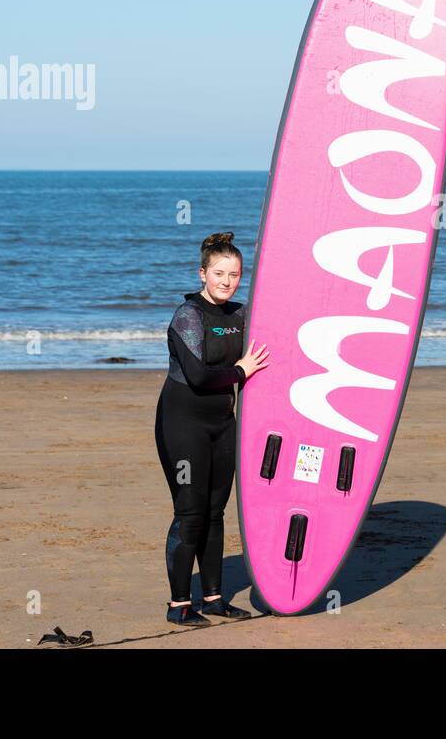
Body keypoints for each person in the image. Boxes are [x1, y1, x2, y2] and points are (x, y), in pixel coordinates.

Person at [155, 231, 270, 625]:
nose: (227, 281)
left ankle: (215, 598)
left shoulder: (240, 315)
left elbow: (283, 330)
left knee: (216, 512)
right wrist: (241, 371)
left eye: (235, 274)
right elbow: (200, 376)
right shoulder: (188, 315)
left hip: (223, 424)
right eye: (219, 273)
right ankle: (179, 604)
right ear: (202, 273)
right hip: (182, 423)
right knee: (190, 512)